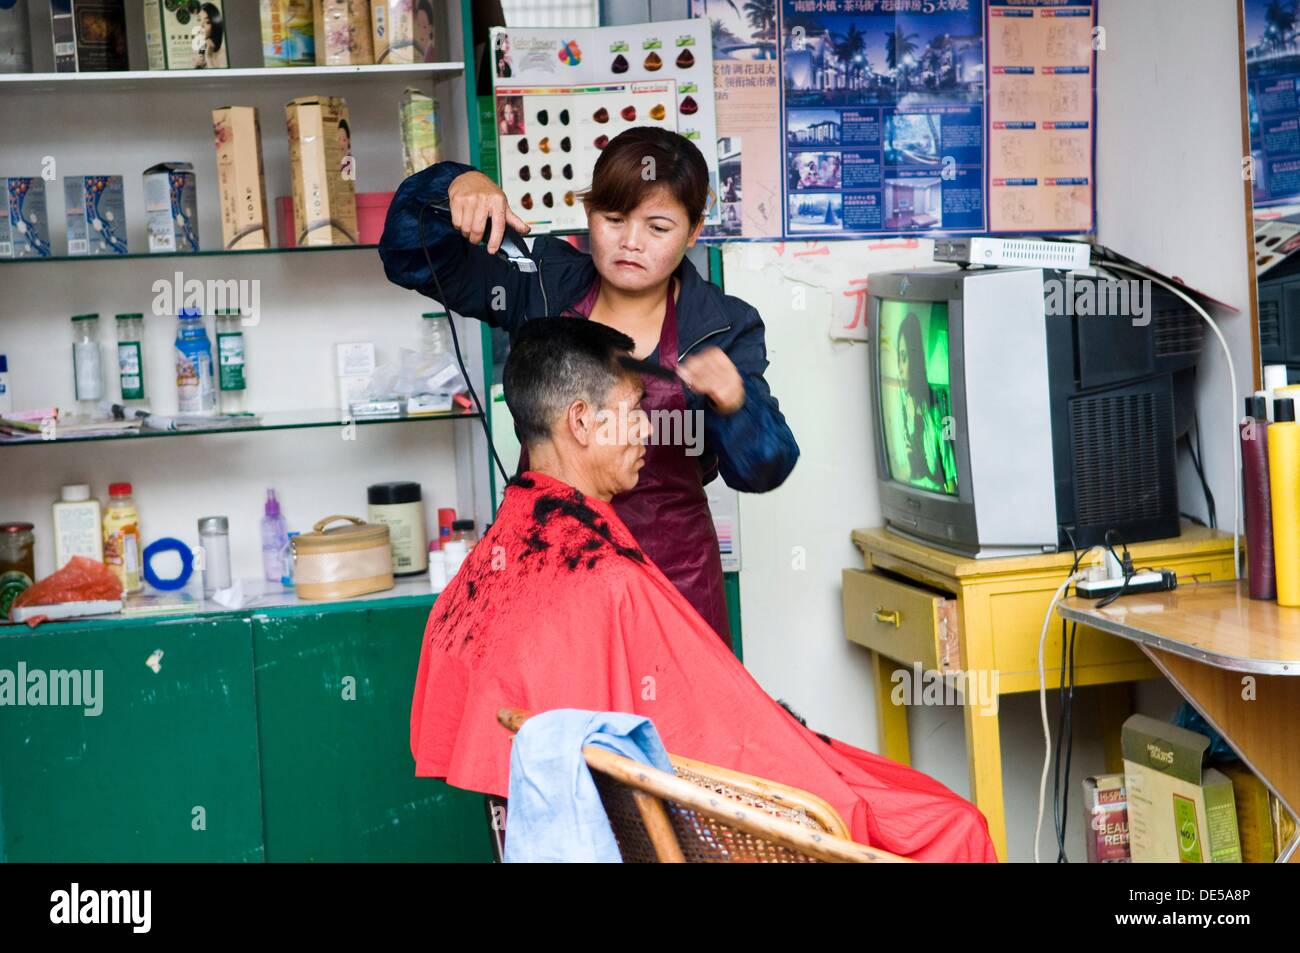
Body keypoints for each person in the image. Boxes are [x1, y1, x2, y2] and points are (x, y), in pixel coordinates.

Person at [409, 318, 996, 862]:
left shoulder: (503, 546)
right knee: (950, 824)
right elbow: (731, 752)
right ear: (582, 422)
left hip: (649, 811)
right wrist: (835, 797)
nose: (649, 429)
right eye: (635, 411)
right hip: (732, 822)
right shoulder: (601, 577)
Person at [380, 127, 799, 646]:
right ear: (589, 214)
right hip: (546, 564)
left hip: (674, 578)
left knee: (674, 725)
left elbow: (765, 469)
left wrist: (737, 403)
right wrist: (451, 184)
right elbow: (408, 256)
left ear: (694, 232)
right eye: (614, 219)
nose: (630, 241)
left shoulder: (722, 324)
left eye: (658, 226)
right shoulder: (538, 283)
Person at [193, 4, 226, 69]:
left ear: (215, 25)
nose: (201, 26)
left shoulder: (222, 54)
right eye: (199, 20)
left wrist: (209, 58)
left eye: (207, 22)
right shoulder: (198, 49)